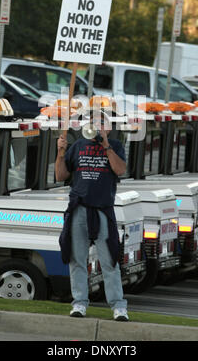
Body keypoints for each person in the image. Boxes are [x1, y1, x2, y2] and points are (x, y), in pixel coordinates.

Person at [55, 111, 129, 322]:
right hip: (79, 208)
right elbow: (60, 175)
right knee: (77, 260)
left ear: (108, 128)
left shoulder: (115, 145)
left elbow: (120, 169)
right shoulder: (78, 146)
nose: (96, 126)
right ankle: (79, 303)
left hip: (102, 210)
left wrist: (105, 144)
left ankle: (118, 306)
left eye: (100, 123)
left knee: (109, 261)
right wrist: (61, 153)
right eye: (92, 123)